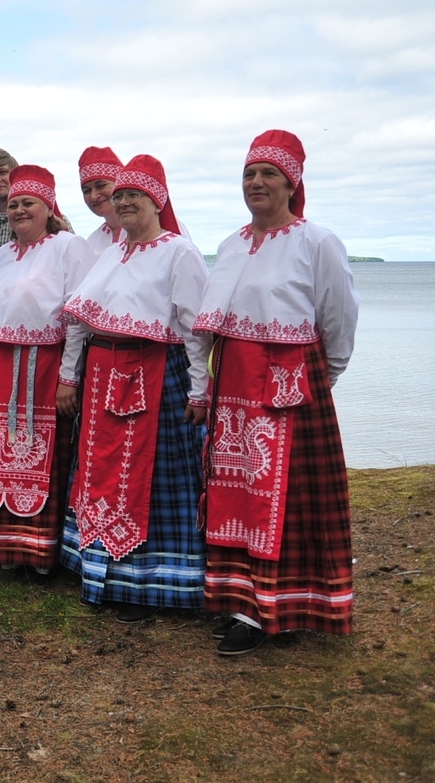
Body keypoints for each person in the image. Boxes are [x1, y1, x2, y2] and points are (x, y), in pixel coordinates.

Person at [194, 130, 359, 656]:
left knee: (281, 498)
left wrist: (323, 374)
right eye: (249, 174)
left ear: (292, 183)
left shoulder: (318, 242)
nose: (257, 183)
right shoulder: (231, 244)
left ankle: (279, 611)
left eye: (269, 174)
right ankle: (242, 601)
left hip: (289, 385)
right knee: (236, 491)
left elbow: (339, 316)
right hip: (236, 381)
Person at [58, 154, 210, 623]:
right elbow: (82, 320)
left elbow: (195, 330)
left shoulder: (179, 251)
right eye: (119, 196)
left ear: (157, 200)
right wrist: (70, 374)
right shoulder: (109, 253)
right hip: (104, 376)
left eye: (133, 195)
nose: (123, 202)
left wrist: (200, 391)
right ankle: (105, 574)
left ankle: (156, 585)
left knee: (155, 476)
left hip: (157, 375)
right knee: (103, 473)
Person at [0, 165, 93, 578]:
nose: (19, 210)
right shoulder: (1, 255)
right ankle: (8, 550)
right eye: (15, 204)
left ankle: (41, 554)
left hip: (45, 368)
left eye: (29, 203)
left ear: (48, 207)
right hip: (3, 370)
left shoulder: (68, 247)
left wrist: (68, 378)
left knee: (45, 456)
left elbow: (77, 318)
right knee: (0, 458)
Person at [77, 146, 125, 256]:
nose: (93, 196)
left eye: (101, 186)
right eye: (87, 191)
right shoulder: (90, 244)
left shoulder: (148, 234)